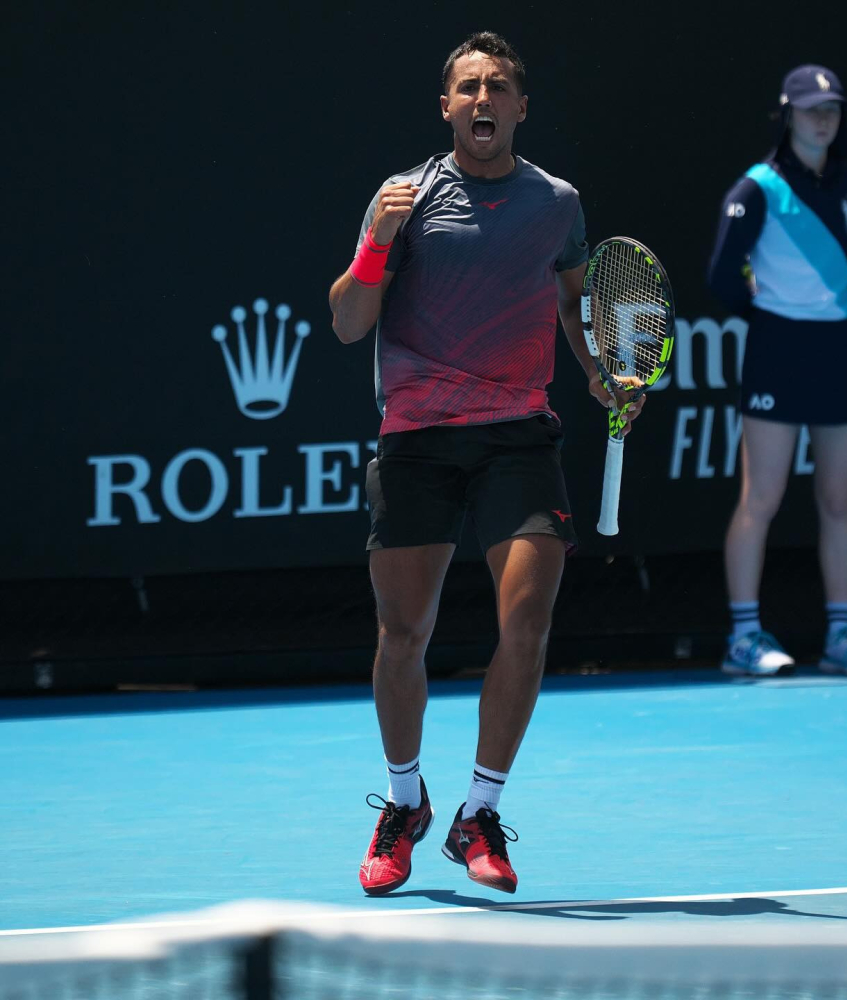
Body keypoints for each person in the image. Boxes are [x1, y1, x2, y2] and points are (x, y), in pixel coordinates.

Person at [328, 31, 645, 895]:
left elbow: (574, 306)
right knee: (404, 635)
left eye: (497, 87)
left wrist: (602, 374)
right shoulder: (404, 196)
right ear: (446, 107)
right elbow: (349, 322)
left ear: (519, 107)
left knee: (528, 622)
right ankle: (404, 804)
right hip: (418, 440)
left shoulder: (557, 203)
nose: (481, 100)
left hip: (517, 435)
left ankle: (479, 811)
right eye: (467, 87)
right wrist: (376, 243)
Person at [707, 64, 847, 678]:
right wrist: (775, 318)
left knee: (839, 498)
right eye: (811, 109)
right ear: (788, 114)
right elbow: (722, 277)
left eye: (831, 108)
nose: (822, 118)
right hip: (777, 350)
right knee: (762, 497)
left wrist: (833, 315)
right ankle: (744, 638)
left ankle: (841, 635)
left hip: (838, 352)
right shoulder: (756, 189)